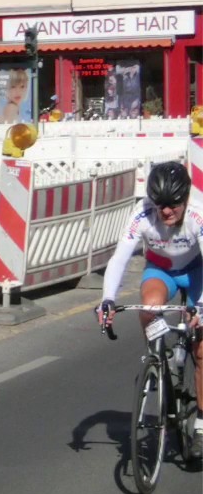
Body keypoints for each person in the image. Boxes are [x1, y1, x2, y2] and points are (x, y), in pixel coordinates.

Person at [95, 161, 201, 459]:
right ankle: (161, 358)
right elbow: (119, 259)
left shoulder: (198, 213)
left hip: (197, 271)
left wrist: (201, 308)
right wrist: (107, 299)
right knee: (149, 307)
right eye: (160, 205)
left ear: (186, 198)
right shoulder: (142, 213)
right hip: (162, 269)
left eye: (173, 205)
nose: (166, 212)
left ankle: (202, 426)